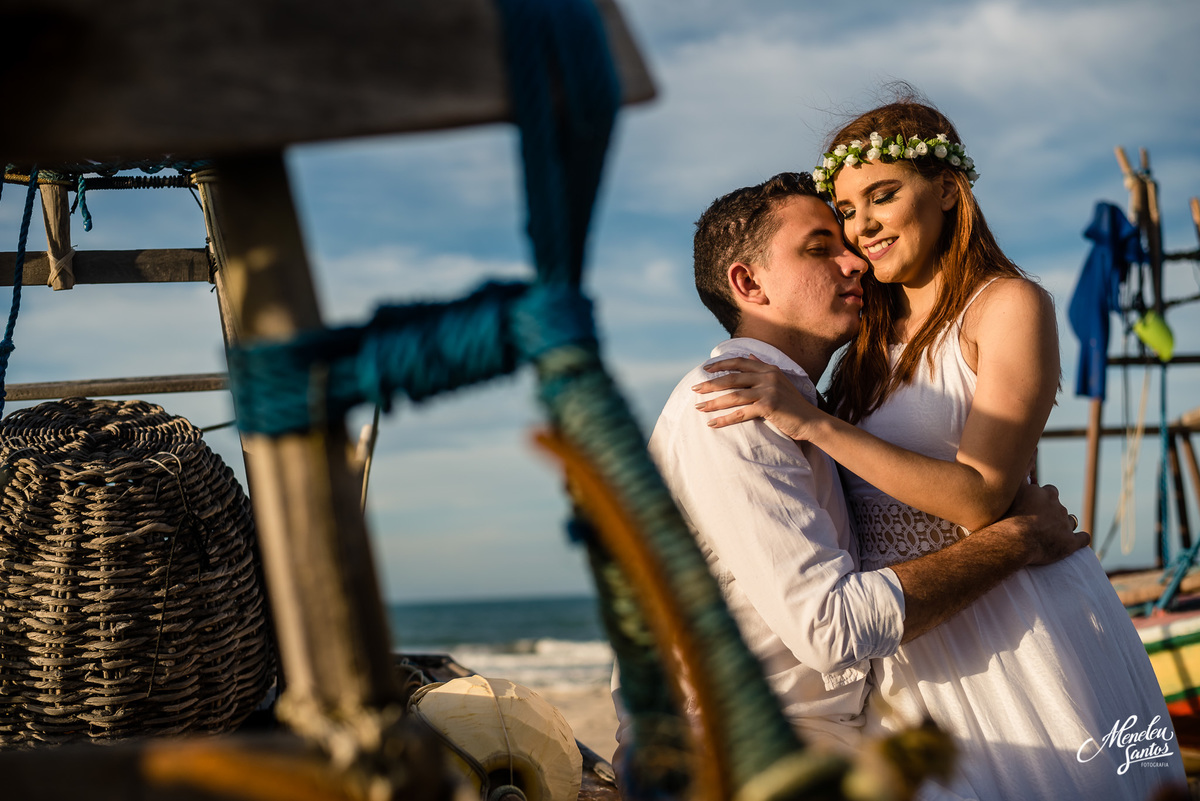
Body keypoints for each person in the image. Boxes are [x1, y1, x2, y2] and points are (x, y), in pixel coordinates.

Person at [692, 96, 1185, 798]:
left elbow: (982, 495)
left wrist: (815, 422)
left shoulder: (1007, 305)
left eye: (882, 196)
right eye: (846, 211)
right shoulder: (862, 339)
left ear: (949, 191)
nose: (861, 227)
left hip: (1009, 621)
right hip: (906, 641)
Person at [614, 170, 1090, 783]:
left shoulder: (807, 406)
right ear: (748, 282)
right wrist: (1016, 539)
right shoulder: (732, 409)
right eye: (820, 249)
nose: (856, 261)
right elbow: (832, 628)